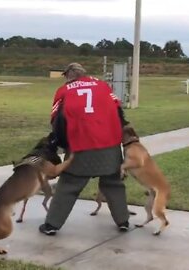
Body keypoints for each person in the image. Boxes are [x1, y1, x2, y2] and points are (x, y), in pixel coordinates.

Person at [39, 63, 131, 236]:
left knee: (68, 185)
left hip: (80, 146)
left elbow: (57, 121)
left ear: (68, 75)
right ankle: (123, 221)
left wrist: (63, 143)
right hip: (109, 144)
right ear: (84, 73)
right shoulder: (103, 86)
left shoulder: (64, 91)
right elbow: (119, 112)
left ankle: (52, 225)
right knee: (113, 184)